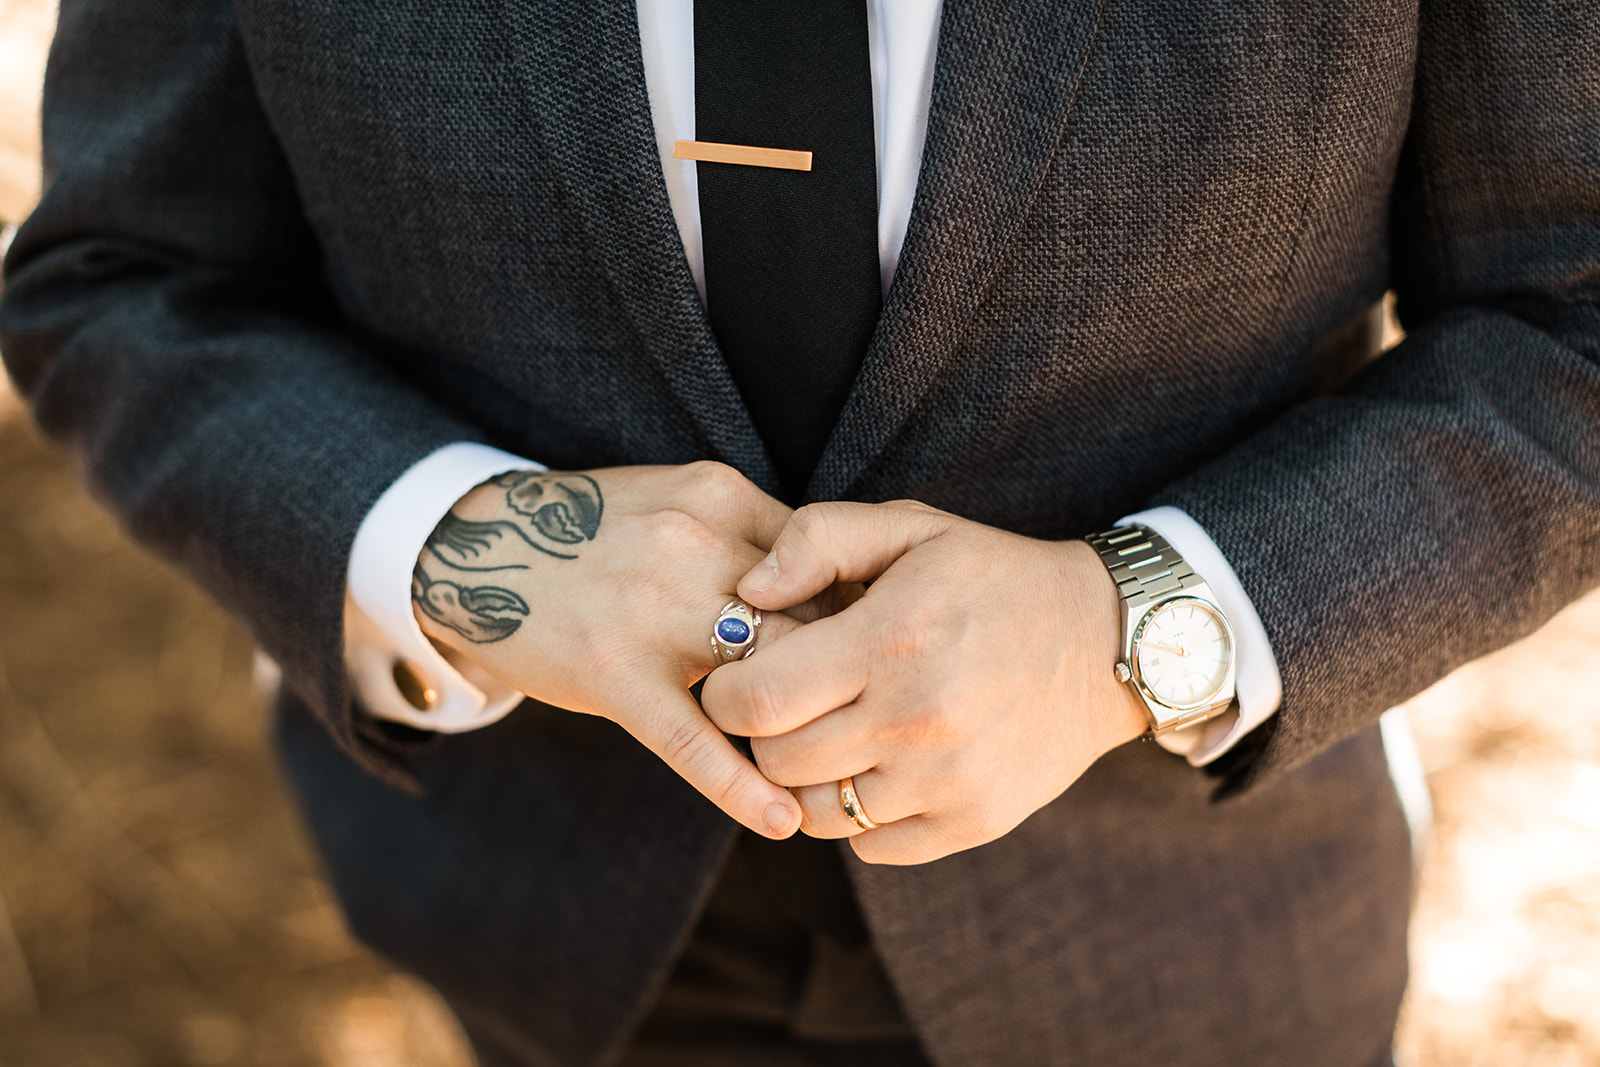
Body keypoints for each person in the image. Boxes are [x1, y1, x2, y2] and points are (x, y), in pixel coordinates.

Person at [3, 0, 1597, 1064]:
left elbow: (1569, 324)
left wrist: (1128, 631)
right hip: (564, 943)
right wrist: (463, 543)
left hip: (1192, 947)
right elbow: (124, 278)